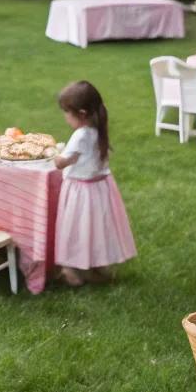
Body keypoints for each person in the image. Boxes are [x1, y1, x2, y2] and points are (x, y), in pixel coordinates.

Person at [52, 80, 137, 287]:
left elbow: (62, 162)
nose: (65, 117)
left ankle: (72, 271)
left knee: (77, 228)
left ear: (81, 113)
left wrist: (53, 151)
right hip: (99, 188)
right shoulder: (98, 128)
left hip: (81, 191)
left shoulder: (80, 136)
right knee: (96, 228)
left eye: (67, 113)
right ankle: (95, 266)